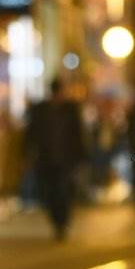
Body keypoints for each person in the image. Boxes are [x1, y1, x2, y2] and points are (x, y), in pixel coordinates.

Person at [25, 77, 86, 240]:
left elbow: (78, 134)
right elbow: (31, 134)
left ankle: (62, 222)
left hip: (66, 160)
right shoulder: (40, 110)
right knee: (50, 193)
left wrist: (80, 156)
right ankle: (57, 221)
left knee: (64, 191)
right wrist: (30, 154)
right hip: (46, 161)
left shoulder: (70, 109)